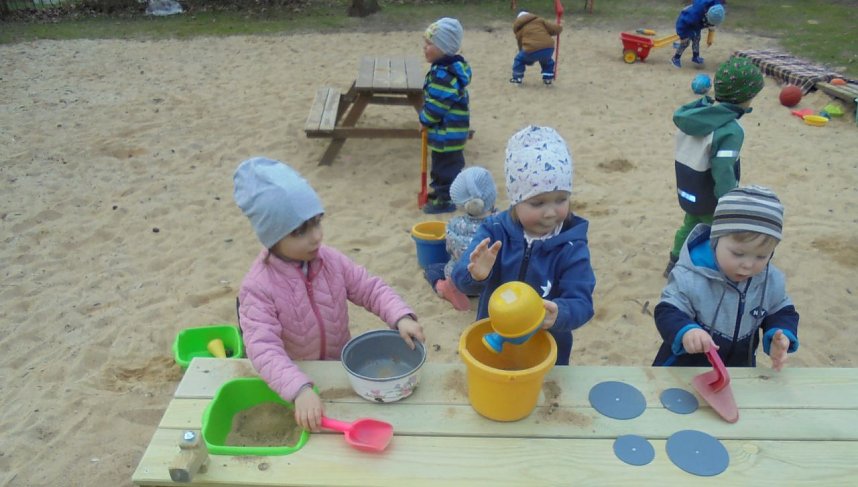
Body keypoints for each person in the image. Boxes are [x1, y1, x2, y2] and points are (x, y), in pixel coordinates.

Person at [233, 157, 425, 432]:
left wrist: (400, 316)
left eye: (317, 222)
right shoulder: (258, 286)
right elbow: (263, 349)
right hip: (293, 379)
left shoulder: (330, 261)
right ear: (272, 237)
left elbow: (369, 288)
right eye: (300, 231)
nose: (316, 237)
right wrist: (298, 389)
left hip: (338, 369)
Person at [451, 126, 596, 366]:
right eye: (537, 202)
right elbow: (460, 280)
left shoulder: (572, 245)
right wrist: (475, 275)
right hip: (495, 337)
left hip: (547, 347)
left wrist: (560, 313)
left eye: (561, 199)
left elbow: (582, 302)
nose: (550, 212)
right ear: (516, 200)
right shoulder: (495, 231)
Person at [653, 185, 799, 370]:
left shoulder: (769, 280)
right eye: (738, 254)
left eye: (761, 256)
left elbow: (781, 310)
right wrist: (687, 332)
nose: (748, 265)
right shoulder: (690, 276)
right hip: (686, 368)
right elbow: (667, 310)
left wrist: (781, 333)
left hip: (737, 370)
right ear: (716, 241)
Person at [664, 56, 764, 277]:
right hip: (711, 193)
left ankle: (674, 262)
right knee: (720, 233)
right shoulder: (730, 130)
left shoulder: (698, 114)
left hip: (688, 186)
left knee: (689, 224)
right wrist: (728, 200)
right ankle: (714, 269)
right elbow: (723, 168)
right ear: (745, 97)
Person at [423, 166, 497, 311]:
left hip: (461, 280)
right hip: (489, 281)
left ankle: (447, 287)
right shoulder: (500, 222)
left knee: (433, 268)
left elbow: (450, 249)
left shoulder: (454, 225)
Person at [419, 17, 472, 214]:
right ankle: (441, 192)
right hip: (449, 131)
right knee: (442, 164)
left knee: (446, 166)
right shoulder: (444, 69)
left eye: (430, 44)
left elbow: (436, 107)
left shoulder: (443, 75)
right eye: (425, 43)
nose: (425, 47)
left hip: (448, 133)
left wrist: (424, 119)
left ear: (445, 48)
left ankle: (446, 199)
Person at [510, 10, 563, 85]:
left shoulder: (520, 29)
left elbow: (520, 43)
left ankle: (517, 78)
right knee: (547, 60)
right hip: (548, 47)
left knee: (519, 59)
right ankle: (548, 78)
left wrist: (523, 53)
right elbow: (554, 29)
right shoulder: (540, 20)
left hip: (531, 49)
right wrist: (559, 27)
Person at [671, 0, 725, 68]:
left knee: (697, 38)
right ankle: (676, 58)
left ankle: (695, 56)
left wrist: (711, 29)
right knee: (685, 43)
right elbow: (681, 25)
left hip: (697, 25)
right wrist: (682, 36)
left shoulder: (716, 7)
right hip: (685, 25)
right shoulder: (693, 16)